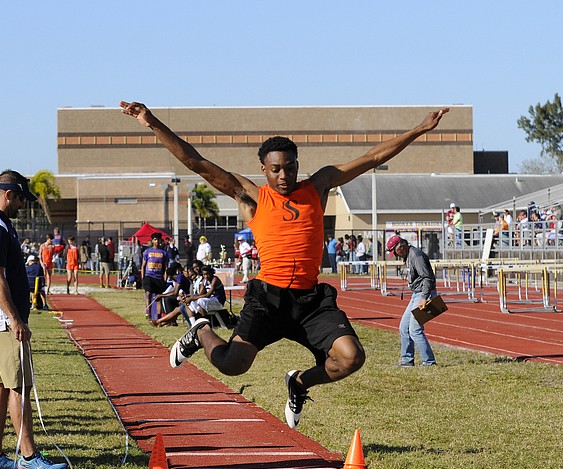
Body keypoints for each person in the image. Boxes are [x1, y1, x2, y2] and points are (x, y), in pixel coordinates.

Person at [120, 99, 448, 429]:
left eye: (289, 167)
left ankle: (299, 383)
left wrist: (419, 129)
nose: (283, 175)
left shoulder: (318, 186)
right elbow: (196, 161)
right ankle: (201, 330)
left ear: (297, 165)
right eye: (275, 169)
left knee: (351, 358)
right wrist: (152, 122)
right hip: (268, 299)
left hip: (310, 301)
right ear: (264, 170)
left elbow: (372, 157)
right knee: (232, 365)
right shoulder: (251, 196)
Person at [0, 170, 67, 469]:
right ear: (9, 194)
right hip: (2, 321)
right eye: (21, 200)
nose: (23, 206)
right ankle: (28, 456)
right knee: (19, 387)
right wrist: (14, 317)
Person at [387, 234, 437, 367]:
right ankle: (407, 360)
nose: (396, 255)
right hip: (416, 294)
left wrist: (424, 298)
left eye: (395, 252)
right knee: (404, 327)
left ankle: (429, 362)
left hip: (424, 294)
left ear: (401, 247)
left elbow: (427, 278)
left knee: (415, 329)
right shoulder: (409, 256)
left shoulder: (416, 256)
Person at [142, 232, 169, 319]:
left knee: (158, 297)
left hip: (159, 277)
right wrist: (143, 277)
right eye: (155, 239)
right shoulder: (147, 251)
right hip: (149, 276)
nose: (157, 241)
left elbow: (166, 267)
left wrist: (165, 278)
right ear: (152, 240)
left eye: (158, 239)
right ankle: (148, 312)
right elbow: (143, 265)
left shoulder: (164, 253)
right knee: (148, 293)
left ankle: (158, 315)